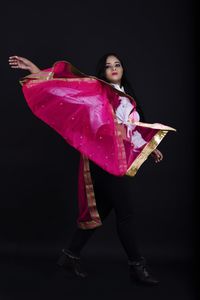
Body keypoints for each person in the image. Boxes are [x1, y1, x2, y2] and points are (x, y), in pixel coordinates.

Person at [8, 53, 174, 286]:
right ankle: (137, 266)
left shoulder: (127, 96)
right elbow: (60, 86)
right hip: (104, 160)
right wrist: (33, 69)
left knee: (102, 210)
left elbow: (131, 129)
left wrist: (149, 148)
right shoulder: (97, 90)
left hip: (116, 159)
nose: (113, 68)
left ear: (123, 68)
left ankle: (69, 255)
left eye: (117, 64)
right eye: (108, 66)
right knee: (125, 214)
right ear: (102, 72)